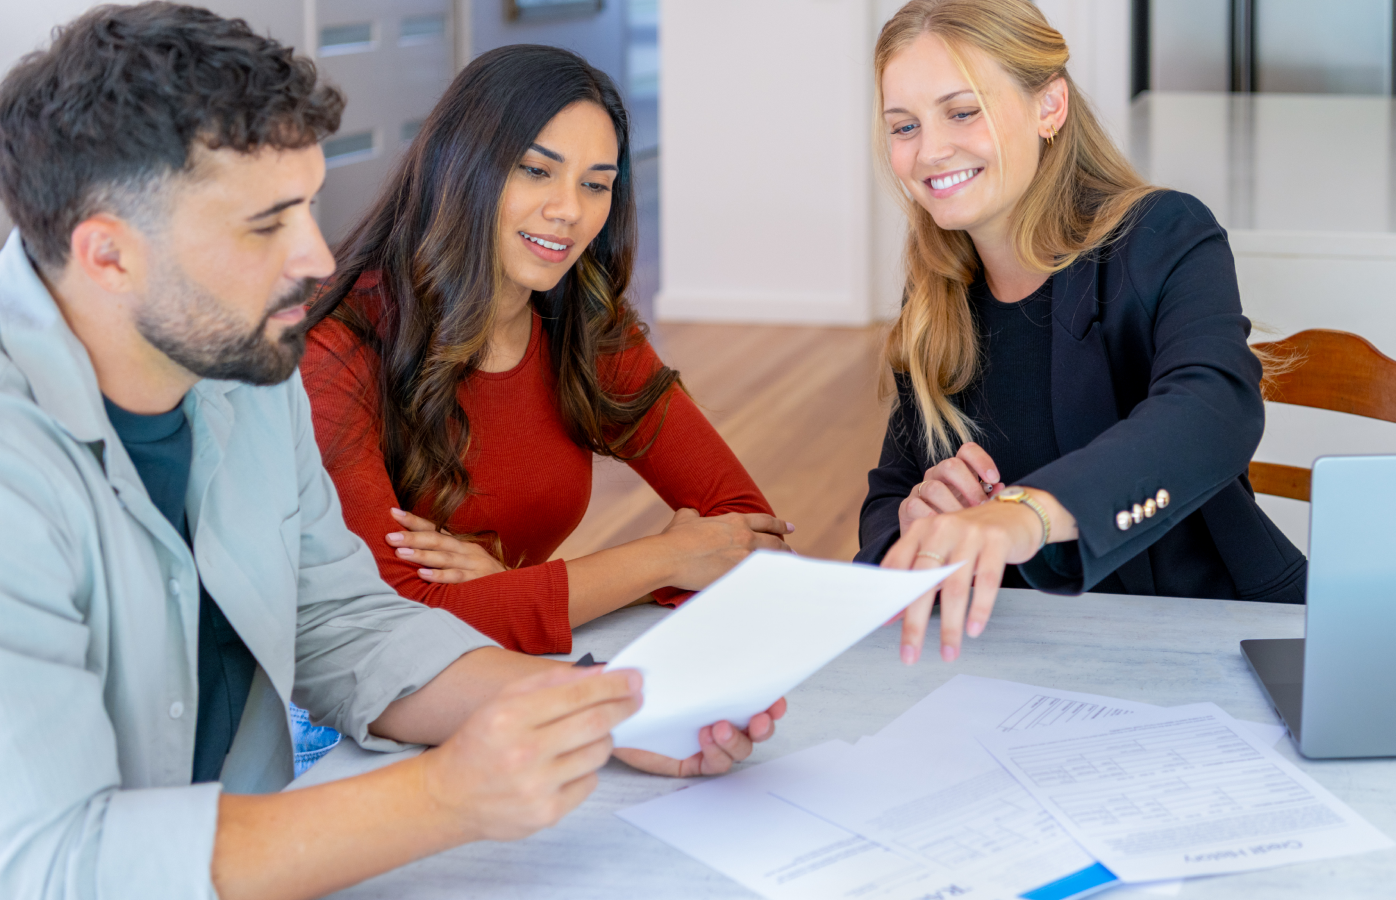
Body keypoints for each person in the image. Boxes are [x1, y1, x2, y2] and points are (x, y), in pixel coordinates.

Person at [0, 6, 781, 899]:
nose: (316, 255)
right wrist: (447, 795)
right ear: (108, 256)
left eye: (308, 206)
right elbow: (53, 862)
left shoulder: (244, 369)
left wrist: (595, 708)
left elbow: (346, 624)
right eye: (267, 226)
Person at [302, 45, 792, 655]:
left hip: (505, 673)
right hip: (337, 717)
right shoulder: (337, 343)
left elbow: (751, 538)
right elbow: (395, 624)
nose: (569, 211)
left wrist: (512, 590)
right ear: (461, 165)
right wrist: (664, 557)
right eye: (536, 170)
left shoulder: (581, 321)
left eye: (596, 185)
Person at [858, 0, 1307, 666]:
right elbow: (891, 492)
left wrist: (1026, 515)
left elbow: (1213, 410)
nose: (929, 151)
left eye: (963, 111)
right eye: (904, 126)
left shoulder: (1163, 235)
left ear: (1050, 107)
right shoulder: (937, 295)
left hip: (1212, 638)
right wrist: (915, 526)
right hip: (1021, 655)